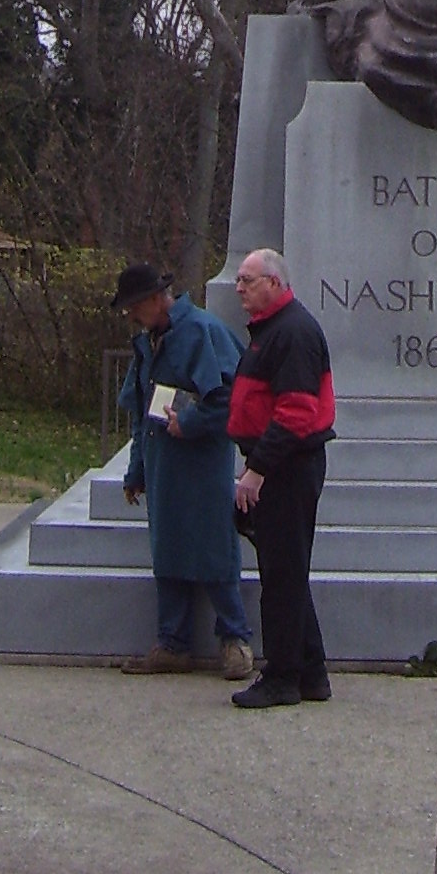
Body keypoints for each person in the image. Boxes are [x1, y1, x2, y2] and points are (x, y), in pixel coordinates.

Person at [112, 261, 251, 681]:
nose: (131, 317)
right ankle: (172, 642)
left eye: (135, 307)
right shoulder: (148, 342)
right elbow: (141, 414)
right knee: (167, 548)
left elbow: (233, 400)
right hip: (162, 467)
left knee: (214, 547)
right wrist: (136, 470)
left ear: (156, 300)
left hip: (202, 466)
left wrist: (188, 424)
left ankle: (235, 640)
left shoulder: (203, 332)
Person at [227, 247, 334, 708]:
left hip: (288, 467)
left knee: (282, 577)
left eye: (247, 280)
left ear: (274, 282)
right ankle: (311, 674)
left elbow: (295, 412)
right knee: (286, 572)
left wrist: (256, 471)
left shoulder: (292, 332)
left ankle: (282, 678)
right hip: (280, 464)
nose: (238, 288)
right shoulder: (272, 331)